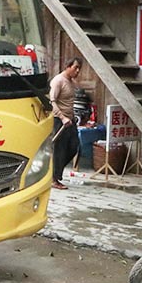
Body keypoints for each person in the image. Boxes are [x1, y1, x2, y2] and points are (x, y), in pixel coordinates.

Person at [49, 57, 83, 189]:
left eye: (79, 68)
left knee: (74, 147)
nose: (77, 71)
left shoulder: (71, 82)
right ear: (67, 66)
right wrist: (62, 118)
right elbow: (52, 101)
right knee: (60, 150)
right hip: (60, 120)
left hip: (70, 120)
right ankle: (54, 179)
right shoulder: (58, 81)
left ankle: (54, 173)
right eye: (75, 68)